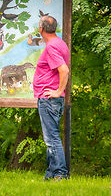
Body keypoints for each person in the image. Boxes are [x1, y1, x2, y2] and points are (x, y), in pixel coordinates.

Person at [33, 15, 70, 181]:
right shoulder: (59, 43)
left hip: (49, 99)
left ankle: (61, 173)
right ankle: (50, 173)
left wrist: (57, 91)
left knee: (52, 138)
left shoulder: (52, 47)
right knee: (50, 137)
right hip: (50, 99)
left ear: (41, 29)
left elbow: (64, 70)